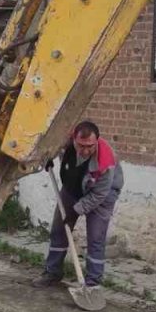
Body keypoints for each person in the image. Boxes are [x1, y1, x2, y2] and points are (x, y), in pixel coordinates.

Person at [32, 120, 125, 290]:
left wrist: (76, 209)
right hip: (72, 189)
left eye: (90, 146)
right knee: (59, 230)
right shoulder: (64, 142)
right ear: (74, 139)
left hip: (102, 196)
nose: (85, 150)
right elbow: (47, 146)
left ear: (96, 140)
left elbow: (99, 194)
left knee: (95, 238)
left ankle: (92, 283)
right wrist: (47, 158)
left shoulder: (105, 162)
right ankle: (52, 272)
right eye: (81, 145)